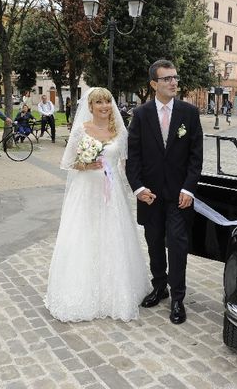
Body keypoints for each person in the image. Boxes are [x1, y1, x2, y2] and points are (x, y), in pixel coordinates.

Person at [46, 87, 150, 322]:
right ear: (90, 107)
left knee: (112, 237)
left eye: (107, 102)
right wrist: (84, 164)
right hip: (85, 192)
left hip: (111, 194)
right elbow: (68, 162)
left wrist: (138, 189)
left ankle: (113, 292)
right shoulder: (81, 131)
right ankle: (80, 291)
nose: (104, 106)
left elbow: (126, 166)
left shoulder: (119, 132)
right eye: (98, 102)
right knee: (84, 236)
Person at [126, 59, 204, 325]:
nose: (173, 82)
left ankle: (178, 298)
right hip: (150, 195)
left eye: (175, 78)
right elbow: (133, 156)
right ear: (153, 84)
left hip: (179, 197)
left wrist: (188, 189)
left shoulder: (189, 114)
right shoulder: (141, 115)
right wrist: (137, 187)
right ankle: (159, 287)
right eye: (166, 79)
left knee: (178, 246)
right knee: (155, 243)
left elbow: (196, 157)